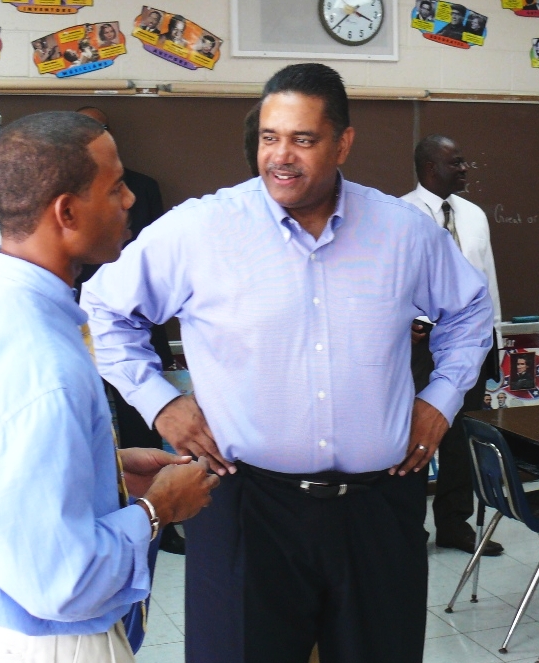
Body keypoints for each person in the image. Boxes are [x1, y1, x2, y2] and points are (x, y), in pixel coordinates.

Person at [81, 63, 492, 663]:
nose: (282, 156)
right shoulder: (202, 228)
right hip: (247, 506)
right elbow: (103, 309)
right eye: (270, 137)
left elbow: (471, 312)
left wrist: (439, 402)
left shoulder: (404, 233)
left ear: (343, 142)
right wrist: (160, 402)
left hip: (379, 509)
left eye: (303, 139)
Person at [0, 112, 219, 663]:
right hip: (48, 643)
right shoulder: (45, 364)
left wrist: (105, 468)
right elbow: (64, 580)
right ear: (66, 212)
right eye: (115, 186)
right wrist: (155, 510)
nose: (128, 201)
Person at [75, 106, 185, 555]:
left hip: (131, 326)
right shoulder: (29, 338)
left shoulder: (142, 189)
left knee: (141, 420)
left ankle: (161, 520)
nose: (125, 203)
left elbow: (150, 264)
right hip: (80, 320)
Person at [402, 135, 503, 557]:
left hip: (471, 345)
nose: (464, 169)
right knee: (413, 435)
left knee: (462, 438)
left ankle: (454, 524)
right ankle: (408, 530)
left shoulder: (474, 215)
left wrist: (493, 339)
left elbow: (487, 280)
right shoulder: (402, 213)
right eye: (456, 163)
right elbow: (393, 281)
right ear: (429, 167)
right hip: (420, 345)